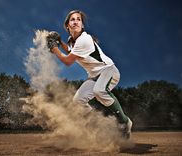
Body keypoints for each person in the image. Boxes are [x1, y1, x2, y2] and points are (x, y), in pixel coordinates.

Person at [48, 10, 132, 139]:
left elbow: (68, 61)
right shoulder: (72, 41)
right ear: (67, 25)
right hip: (94, 76)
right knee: (77, 102)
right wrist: (60, 42)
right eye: (72, 19)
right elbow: (70, 51)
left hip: (109, 70)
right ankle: (96, 125)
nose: (76, 21)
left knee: (100, 91)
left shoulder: (84, 39)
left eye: (79, 19)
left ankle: (124, 121)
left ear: (82, 25)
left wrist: (54, 49)